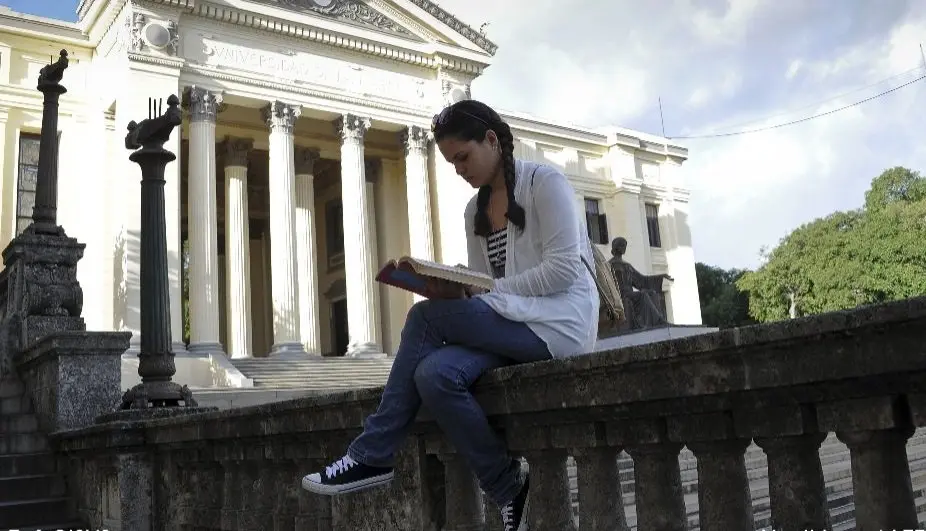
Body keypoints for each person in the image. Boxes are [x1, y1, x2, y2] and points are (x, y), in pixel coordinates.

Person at [300, 99, 600, 531]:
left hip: (559, 325)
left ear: (492, 141)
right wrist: (457, 285)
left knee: (424, 319)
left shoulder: (544, 182)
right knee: (434, 375)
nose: (459, 169)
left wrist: (483, 290)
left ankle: (371, 454)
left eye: (463, 156)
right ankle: (507, 484)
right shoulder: (473, 211)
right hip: (513, 322)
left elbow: (563, 269)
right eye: (451, 162)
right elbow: (487, 281)